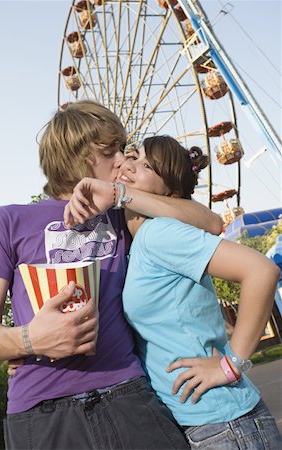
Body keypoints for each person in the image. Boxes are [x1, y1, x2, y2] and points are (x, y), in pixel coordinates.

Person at [0, 101, 222, 450]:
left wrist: (120, 195)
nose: (123, 161)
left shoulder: (123, 213)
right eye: (112, 151)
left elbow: (210, 223)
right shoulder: (8, 222)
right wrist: (29, 340)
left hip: (128, 395)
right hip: (41, 410)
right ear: (78, 156)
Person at [65, 135, 281, 449]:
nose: (130, 165)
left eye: (146, 165)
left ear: (172, 194)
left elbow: (262, 271)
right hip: (204, 423)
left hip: (223, 423)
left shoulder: (160, 233)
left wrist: (233, 363)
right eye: (134, 155)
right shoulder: (136, 243)